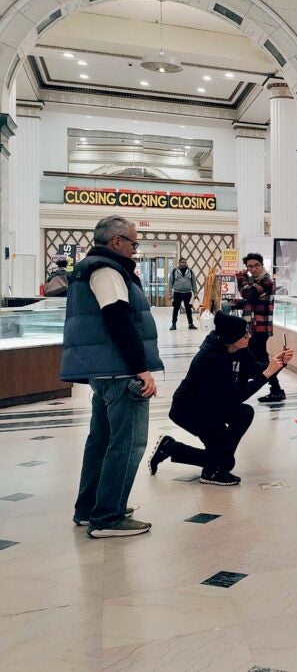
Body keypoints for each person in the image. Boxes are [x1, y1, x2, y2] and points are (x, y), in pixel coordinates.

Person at [61, 215, 163, 538]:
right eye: (133, 242)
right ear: (117, 241)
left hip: (104, 370)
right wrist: (140, 368)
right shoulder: (107, 270)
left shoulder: (91, 267)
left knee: (101, 440)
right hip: (120, 370)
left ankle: (91, 507)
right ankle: (108, 516)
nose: (135, 248)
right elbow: (118, 320)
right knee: (128, 442)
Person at [148, 312, 293, 485]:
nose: (249, 336)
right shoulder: (209, 359)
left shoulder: (239, 349)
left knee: (243, 415)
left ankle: (172, 448)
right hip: (191, 410)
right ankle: (211, 471)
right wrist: (267, 373)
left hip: (213, 407)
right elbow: (234, 397)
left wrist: (277, 364)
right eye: (244, 334)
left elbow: (254, 369)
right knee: (224, 460)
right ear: (231, 338)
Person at [234, 252, 286, 403]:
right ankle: (275, 389)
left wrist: (241, 279)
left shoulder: (266, 281)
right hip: (252, 326)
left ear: (262, 265)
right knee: (252, 357)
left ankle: (274, 390)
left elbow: (247, 293)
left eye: (256, 265)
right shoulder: (253, 280)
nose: (253, 268)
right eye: (250, 266)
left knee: (254, 357)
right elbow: (247, 297)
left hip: (261, 327)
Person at [169, 256, 198, 330]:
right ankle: (173, 324)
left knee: (188, 309)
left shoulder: (190, 271)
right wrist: (170, 293)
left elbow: (193, 282)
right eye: (182, 262)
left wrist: (195, 292)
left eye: (185, 262)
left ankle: (191, 324)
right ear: (179, 263)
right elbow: (170, 282)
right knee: (176, 309)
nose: (183, 263)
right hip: (177, 293)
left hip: (188, 293)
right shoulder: (174, 271)